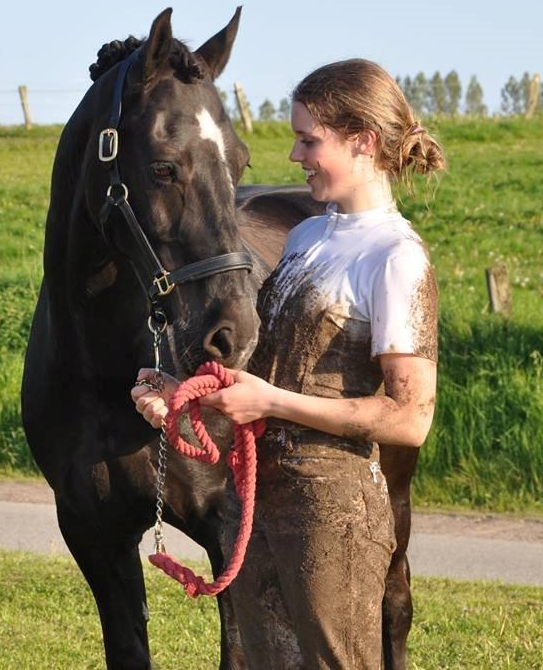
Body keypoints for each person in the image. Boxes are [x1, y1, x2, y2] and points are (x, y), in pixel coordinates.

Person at [131, 58, 444, 669]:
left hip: (334, 514)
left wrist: (270, 403)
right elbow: (270, 376)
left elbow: (410, 419)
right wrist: (184, 398)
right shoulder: (306, 240)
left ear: (364, 141)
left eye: (309, 139)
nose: (296, 156)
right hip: (257, 503)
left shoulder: (395, 256)